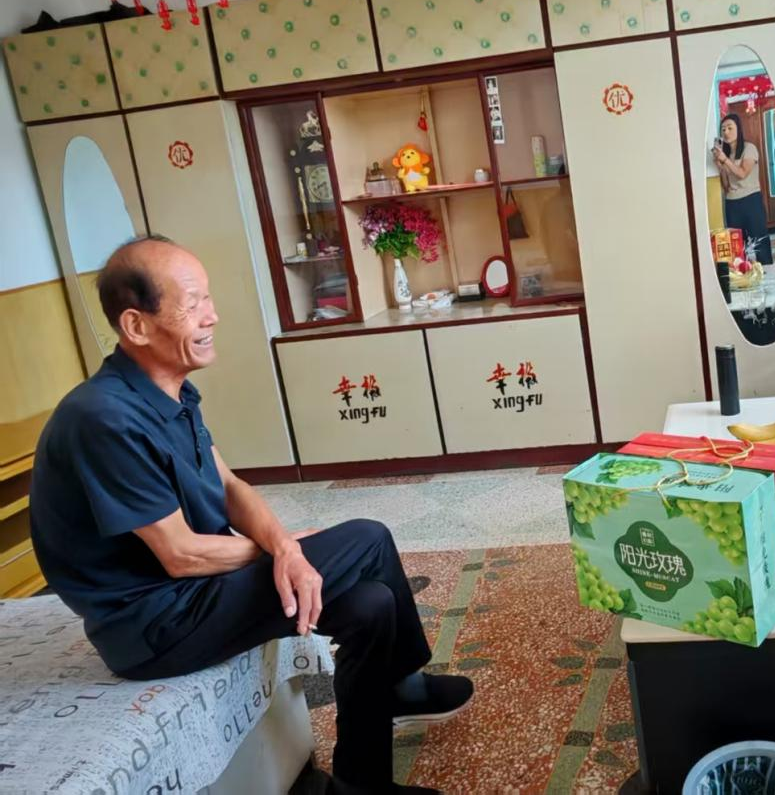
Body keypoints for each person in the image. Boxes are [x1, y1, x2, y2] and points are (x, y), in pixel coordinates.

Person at [29, 236, 471, 795]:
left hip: (192, 594)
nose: (211, 315)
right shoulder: (102, 419)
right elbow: (181, 555)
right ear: (136, 325)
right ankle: (402, 688)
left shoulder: (172, 393)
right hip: (155, 623)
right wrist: (284, 550)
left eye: (208, 298)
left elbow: (230, 485)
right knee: (367, 537)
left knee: (371, 604)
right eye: (192, 303)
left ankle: (362, 784)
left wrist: (285, 546)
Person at [714, 111, 773, 265]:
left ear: (738, 129)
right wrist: (720, 166)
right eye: (723, 129)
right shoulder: (727, 154)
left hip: (751, 200)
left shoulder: (749, 148)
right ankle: (743, 275)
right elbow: (727, 186)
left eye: (730, 128)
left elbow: (742, 173)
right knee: (737, 247)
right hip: (732, 203)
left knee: (760, 242)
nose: (726, 132)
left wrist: (725, 161)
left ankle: (767, 272)